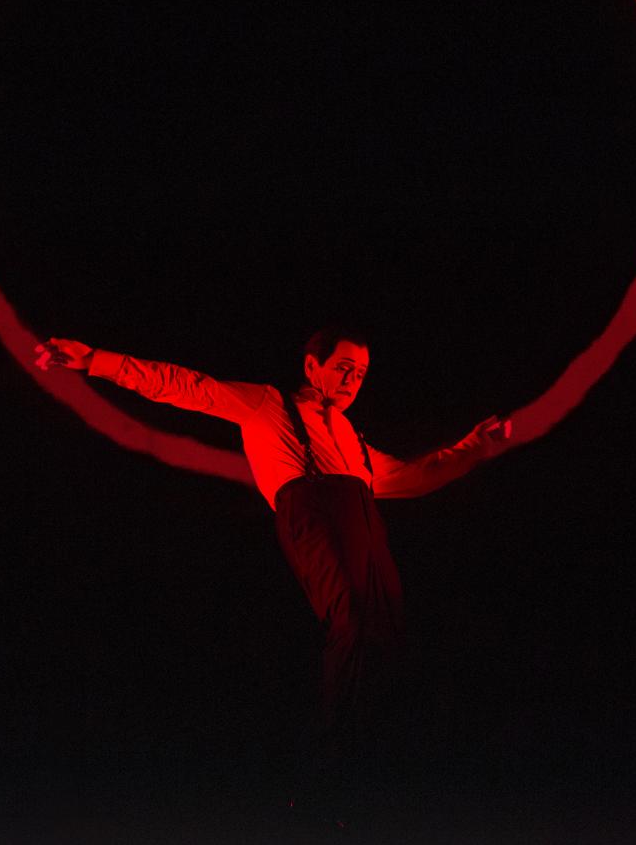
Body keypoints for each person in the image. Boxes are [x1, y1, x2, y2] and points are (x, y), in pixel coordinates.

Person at [34, 328, 511, 821]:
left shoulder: (353, 439)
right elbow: (186, 385)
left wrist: (474, 446)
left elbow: (412, 476)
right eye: (343, 368)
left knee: (387, 633)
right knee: (352, 620)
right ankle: (324, 779)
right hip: (313, 509)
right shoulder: (268, 405)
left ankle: (365, 772)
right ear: (312, 367)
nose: (353, 380)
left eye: (361, 374)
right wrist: (94, 359)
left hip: (362, 517)